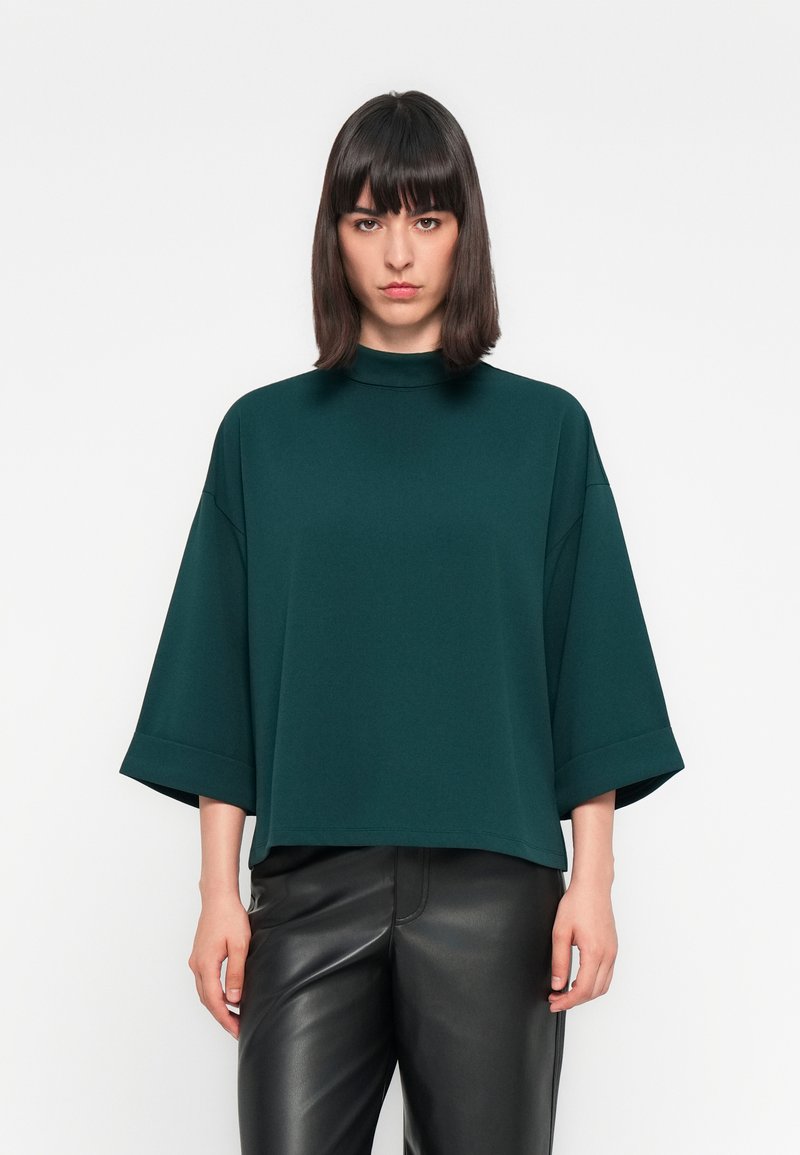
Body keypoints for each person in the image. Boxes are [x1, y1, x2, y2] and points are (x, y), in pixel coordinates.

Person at [119, 89, 685, 1155]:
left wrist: (595, 882)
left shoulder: (545, 432)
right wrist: (215, 895)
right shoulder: (261, 436)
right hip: (306, 888)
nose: (397, 253)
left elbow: (590, 663)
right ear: (332, 235)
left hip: (496, 891)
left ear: (464, 233)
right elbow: (216, 675)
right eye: (367, 218)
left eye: (427, 219)